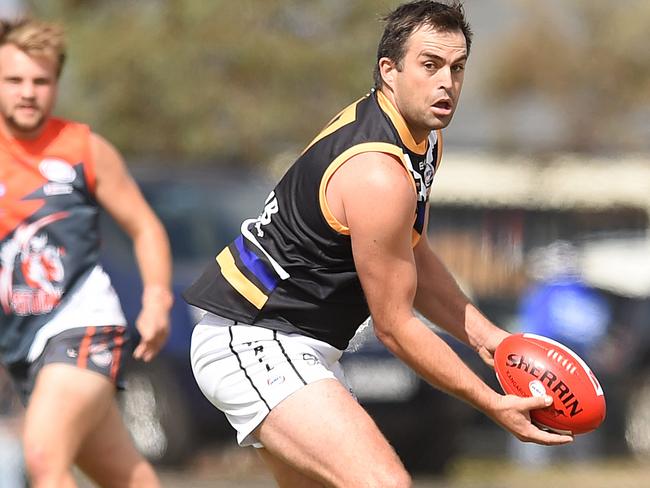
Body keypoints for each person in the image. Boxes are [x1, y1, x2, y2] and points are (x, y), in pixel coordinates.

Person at [184, 1, 574, 486]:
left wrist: (488, 339)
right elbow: (394, 327)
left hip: (296, 340)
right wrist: (490, 401)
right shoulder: (378, 174)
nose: (446, 83)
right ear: (389, 71)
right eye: (429, 65)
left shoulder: (423, 138)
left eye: (457, 68)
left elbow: (411, 251)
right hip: (255, 336)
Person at [0, 18, 173, 487]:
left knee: (42, 456)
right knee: (125, 475)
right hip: (22, 344)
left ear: (56, 83)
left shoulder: (84, 147)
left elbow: (144, 226)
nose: (28, 92)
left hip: (83, 323)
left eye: (41, 80)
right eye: (14, 80)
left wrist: (157, 298)